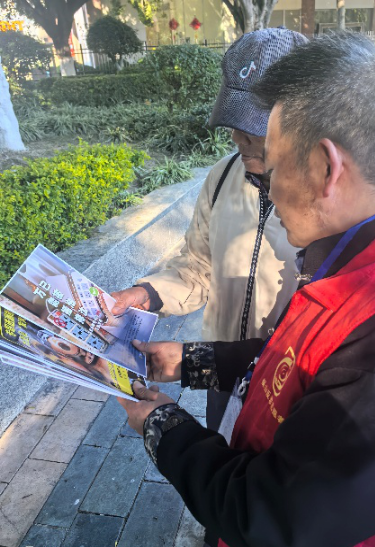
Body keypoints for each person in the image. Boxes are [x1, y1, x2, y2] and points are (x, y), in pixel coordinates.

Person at [119, 32, 375, 547]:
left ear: (325, 168)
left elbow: (266, 514)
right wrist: (194, 361)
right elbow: (298, 356)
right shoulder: (367, 252)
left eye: (270, 163)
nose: (260, 178)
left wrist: (163, 427)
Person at [112, 28, 307, 430]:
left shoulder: (324, 200)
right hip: (220, 370)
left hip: (288, 383)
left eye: (255, 125)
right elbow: (198, 267)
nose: (238, 137)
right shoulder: (221, 177)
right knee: (223, 446)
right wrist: (147, 294)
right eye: (234, 122)